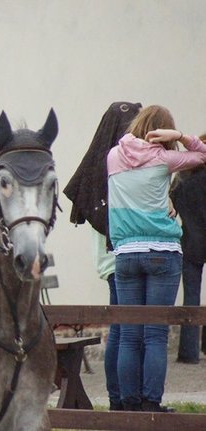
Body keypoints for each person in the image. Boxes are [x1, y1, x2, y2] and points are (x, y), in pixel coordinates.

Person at [107, 105, 206, 412]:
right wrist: (181, 136)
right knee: (155, 335)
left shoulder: (113, 156)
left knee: (129, 335)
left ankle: (129, 405)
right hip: (162, 252)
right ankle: (151, 405)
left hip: (125, 254)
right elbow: (203, 156)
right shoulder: (165, 159)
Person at [63, 101, 141, 411]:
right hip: (116, 258)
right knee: (123, 330)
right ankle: (119, 400)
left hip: (118, 257)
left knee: (123, 329)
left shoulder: (109, 162)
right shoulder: (110, 165)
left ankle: (121, 399)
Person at [170, 135, 206, 364]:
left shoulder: (182, 177)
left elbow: (170, 207)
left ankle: (188, 352)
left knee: (190, 298)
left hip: (190, 241)